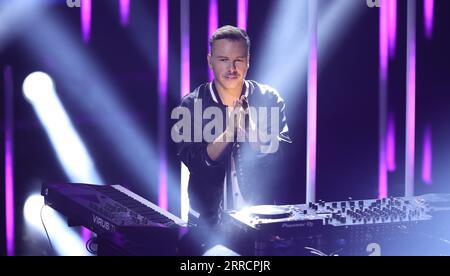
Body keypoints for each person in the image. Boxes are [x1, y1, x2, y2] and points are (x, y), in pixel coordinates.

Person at [174, 25, 292, 232]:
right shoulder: (192, 104)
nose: (232, 68)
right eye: (223, 60)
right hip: (207, 222)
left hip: (260, 219)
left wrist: (250, 127)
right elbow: (195, 162)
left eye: (238, 60)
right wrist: (229, 131)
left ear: (248, 61)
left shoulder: (269, 99)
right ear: (210, 61)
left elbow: (278, 158)